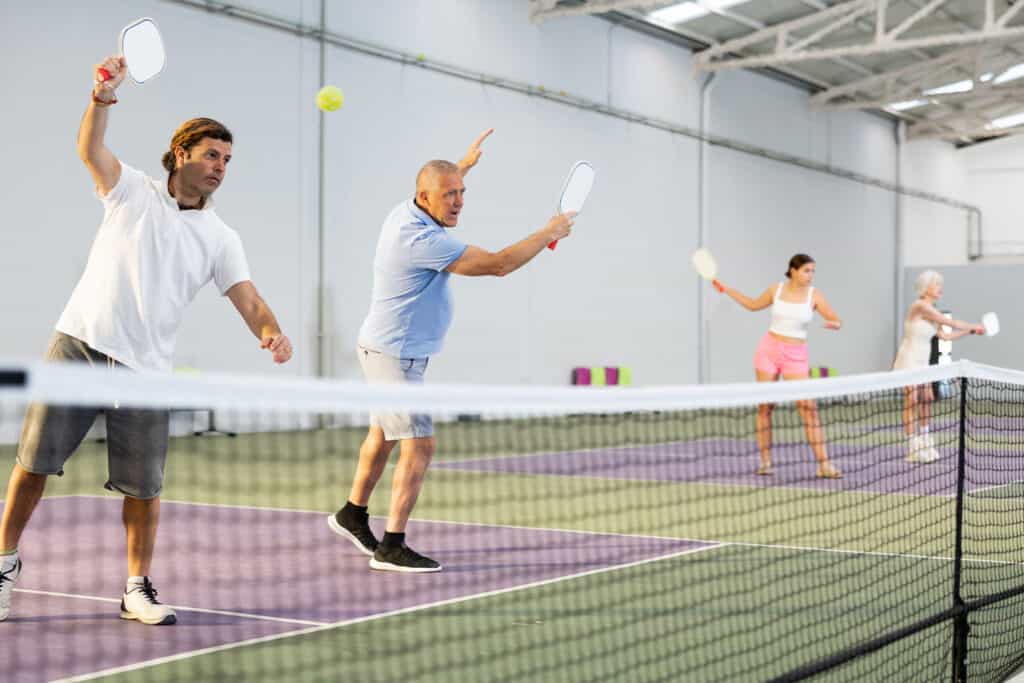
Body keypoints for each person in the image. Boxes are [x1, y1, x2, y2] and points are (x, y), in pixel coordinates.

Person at [0, 56, 293, 625]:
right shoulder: (132, 190)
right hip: (79, 345)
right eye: (212, 155)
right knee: (32, 465)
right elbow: (90, 150)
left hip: (147, 369)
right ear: (181, 153)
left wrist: (271, 332)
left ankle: (136, 588)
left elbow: (249, 299)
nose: (220, 167)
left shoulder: (220, 236)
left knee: (144, 487)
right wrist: (102, 97)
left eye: (228, 160)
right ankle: (1, 564)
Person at [328, 129, 573, 573]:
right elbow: (499, 264)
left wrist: (464, 163)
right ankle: (392, 545)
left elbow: (441, 180)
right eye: (449, 195)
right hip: (394, 354)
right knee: (419, 443)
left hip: (384, 347)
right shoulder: (422, 240)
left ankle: (352, 514)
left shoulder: (406, 209)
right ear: (424, 197)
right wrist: (548, 231)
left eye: (462, 193)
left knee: (383, 434)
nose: (458, 201)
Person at [715, 254, 843, 478]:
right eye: (806, 270)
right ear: (793, 270)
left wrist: (834, 324)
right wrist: (728, 290)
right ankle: (765, 462)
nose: (810, 275)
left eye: (813, 271)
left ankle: (824, 465)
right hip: (769, 350)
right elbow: (753, 305)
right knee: (765, 407)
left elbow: (835, 318)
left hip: (796, 356)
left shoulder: (814, 295)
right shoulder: (776, 289)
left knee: (808, 409)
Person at [893, 270, 983, 463]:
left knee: (927, 398)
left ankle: (925, 440)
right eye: (936, 285)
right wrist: (973, 325)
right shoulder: (919, 306)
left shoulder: (933, 313)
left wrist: (971, 332)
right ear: (925, 288)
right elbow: (951, 322)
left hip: (923, 361)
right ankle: (912, 445)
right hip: (909, 358)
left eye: (939, 284)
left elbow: (946, 335)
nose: (939, 288)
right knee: (912, 400)